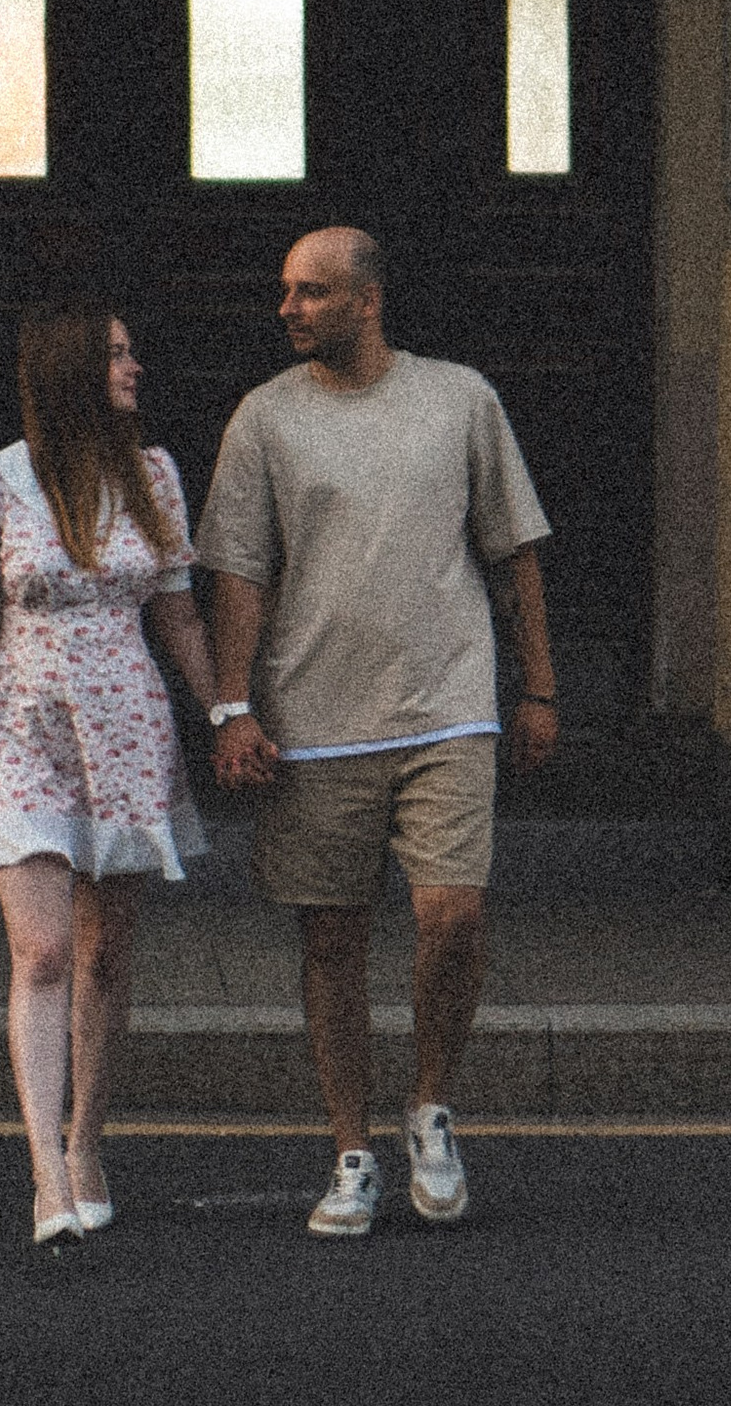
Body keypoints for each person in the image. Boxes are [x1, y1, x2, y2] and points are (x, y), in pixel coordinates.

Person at [197, 223, 557, 1239]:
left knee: (454, 916)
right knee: (332, 941)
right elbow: (238, 574)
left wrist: (539, 688)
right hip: (314, 718)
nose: (289, 308)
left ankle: (430, 1107)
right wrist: (231, 707)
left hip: (448, 705)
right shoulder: (265, 417)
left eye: (311, 292)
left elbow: (514, 550)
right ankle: (352, 1150)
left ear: (368, 300)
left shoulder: (460, 399)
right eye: (286, 290)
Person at [0, 300, 218, 1255]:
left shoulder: (153, 476)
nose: (135, 367)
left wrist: (225, 710)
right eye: (116, 355)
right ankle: (46, 1173)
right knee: (45, 952)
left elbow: (178, 614)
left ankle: (87, 1144)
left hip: (127, 732)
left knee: (104, 954)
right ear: (70, 372)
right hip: (23, 736)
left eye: (132, 351)